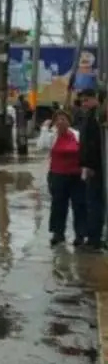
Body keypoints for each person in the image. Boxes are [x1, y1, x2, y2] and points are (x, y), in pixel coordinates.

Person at [38, 110, 83, 246]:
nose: (60, 122)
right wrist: (45, 129)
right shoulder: (52, 136)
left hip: (77, 176)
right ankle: (58, 234)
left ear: (69, 121)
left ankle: (80, 235)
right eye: (57, 120)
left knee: (79, 205)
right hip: (57, 176)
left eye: (63, 119)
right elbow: (41, 146)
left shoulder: (77, 135)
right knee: (58, 205)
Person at [78, 89, 105, 249]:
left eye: (87, 100)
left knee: (94, 203)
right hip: (90, 167)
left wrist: (90, 166)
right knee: (92, 202)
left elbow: (94, 145)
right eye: (82, 101)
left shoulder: (96, 117)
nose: (84, 104)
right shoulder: (89, 116)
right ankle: (93, 237)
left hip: (95, 168)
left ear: (96, 99)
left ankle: (94, 240)